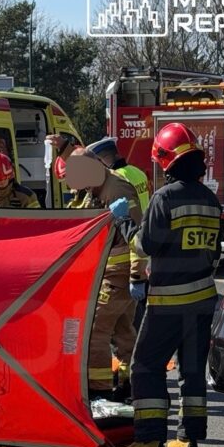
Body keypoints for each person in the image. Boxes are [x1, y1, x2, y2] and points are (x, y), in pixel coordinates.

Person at [112, 123, 222, 447]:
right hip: (203, 300)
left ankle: (148, 442)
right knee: (191, 369)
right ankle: (188, 439)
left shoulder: (165, 198)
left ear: (166, 160)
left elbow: (146, 244)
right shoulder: (210, 200)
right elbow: (215, 253)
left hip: (169, 302)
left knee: (145, 366)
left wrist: (124, 220)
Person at [55, 149, 144, 402]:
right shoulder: (97, 187)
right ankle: (132, 384)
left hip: (118, 274)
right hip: (110, 273)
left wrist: (137, 277)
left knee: (94, 330)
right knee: (123, 331)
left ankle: (99, 389)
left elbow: (137, 238)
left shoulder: (117, 190)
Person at [86, 137, 152, 330]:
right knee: (131, 319)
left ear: (102, 160)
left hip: (129, 243)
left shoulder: (117, 177)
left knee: (124, 321)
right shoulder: (137, 172)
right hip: (142, 241)